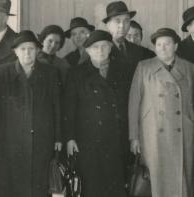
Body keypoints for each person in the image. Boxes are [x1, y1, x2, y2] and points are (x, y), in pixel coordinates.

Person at [0, 30, 62, 197]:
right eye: (22, 49)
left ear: (38, 50)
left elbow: (57, 107)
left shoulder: (50, 73)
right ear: (15, 51)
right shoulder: (3, 73)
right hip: (11, 142)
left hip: (41, 140)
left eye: (31, 48)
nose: (27, 53)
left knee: (38, 185)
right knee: (12, 186)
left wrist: (58, 137)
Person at [129, 28, 194, 197]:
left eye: (167, 44)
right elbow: (134, 103)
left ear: (176, 46)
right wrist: (134, 137)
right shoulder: (144, 67)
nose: (163, 48)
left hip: (184, 133)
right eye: (159, 45)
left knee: (182, 182)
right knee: (157, 181)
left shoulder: (189, 68)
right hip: (153, 135)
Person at [64, 30, 127, 197]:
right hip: (88, 139)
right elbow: (69, 108)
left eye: (105, 46)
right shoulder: (76, 74)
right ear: (88, 50)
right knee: (91, 186)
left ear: (111, 48)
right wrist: (70, 137)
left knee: (114, 186)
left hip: (116, 138)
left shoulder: (123, 71)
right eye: (95, 47)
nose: (100, 50)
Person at [103, 1, 155, 183]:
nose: (122, 26)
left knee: (132, 174)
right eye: (117, 21)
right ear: (107, 24)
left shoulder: (141, 53)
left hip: (134, 122)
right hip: (107, 124)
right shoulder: (98, 49)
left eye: (126, 21)